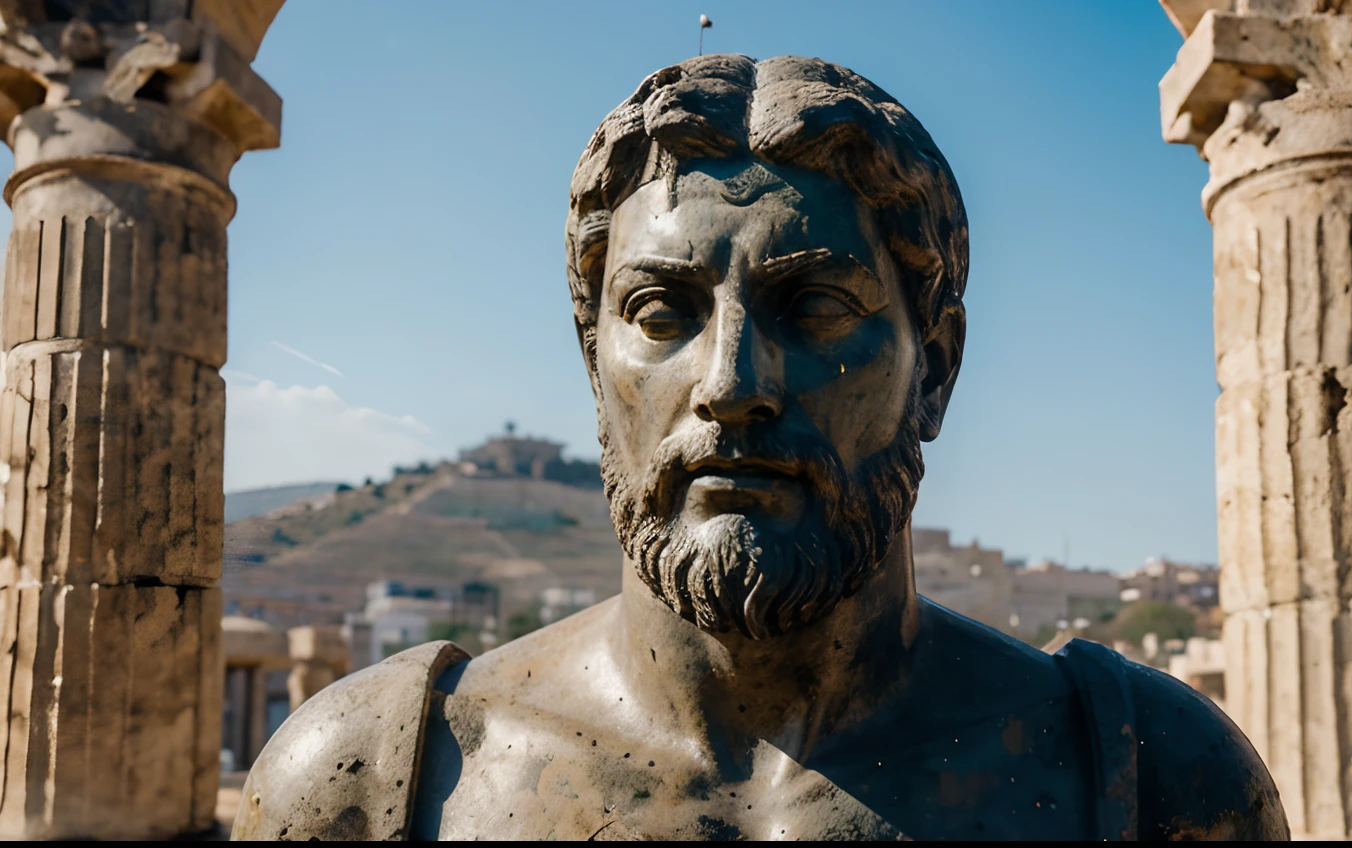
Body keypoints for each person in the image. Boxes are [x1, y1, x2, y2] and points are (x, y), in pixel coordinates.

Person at [232, 54, 1287, 841]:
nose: (733, 383)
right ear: (591, 369)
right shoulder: (370, 781)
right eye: (659, 312)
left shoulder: (1156, 780)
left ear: (939, 367)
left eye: (816, 305)